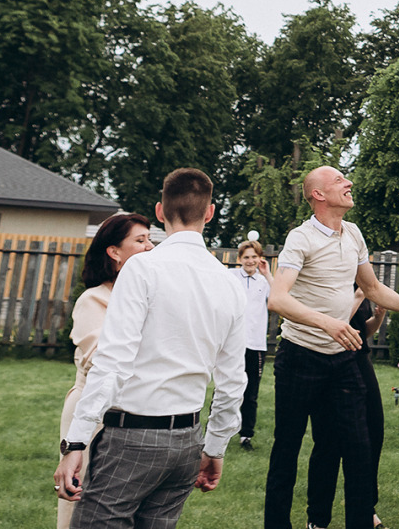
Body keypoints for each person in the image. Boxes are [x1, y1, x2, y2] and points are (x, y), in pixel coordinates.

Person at [54, 169, 247, 528]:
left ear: (160, 211)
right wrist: (215, 447)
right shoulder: (231, 282)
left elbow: (112, 362)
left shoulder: (143, 268)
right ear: (210, 213)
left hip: (132, 438)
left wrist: (75, 443)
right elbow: (234, 379)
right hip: (187, 442)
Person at [265, 165, 399, 529]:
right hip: (299, 359)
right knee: (287, 451)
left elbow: (372, 288)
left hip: (343, 361)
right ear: (318, 195)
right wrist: (330, 324)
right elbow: (278, 299)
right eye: (340, 180)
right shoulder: (301, 238)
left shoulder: (354, 233)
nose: (350, 183)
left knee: (360, 452)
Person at [56, 212, 154, 529]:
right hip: (93, 413)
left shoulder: (144, 298)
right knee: (82, 505)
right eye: (140, 241)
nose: (150, 246)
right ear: (114, 252)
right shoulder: (93, 300)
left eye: (150, 238)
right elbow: (103, 362)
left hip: (135, 416)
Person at [305, 284, 388, 529]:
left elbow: (363, 332)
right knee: (328, 442)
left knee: (373, 434)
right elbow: (328, 327)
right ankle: (317, 519)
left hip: (360, 362)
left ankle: (367, 509)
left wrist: (378, 317)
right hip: (326, 364)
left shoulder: (357, 284)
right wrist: (358, 296)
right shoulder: (325, 285)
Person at [232, 238, 273, 451]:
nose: (250, 261)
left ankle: (245, 435)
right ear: (240, 259)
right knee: (227, 387)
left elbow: (279, 297)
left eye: (254, 257)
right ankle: (217, 429)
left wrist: (267, 273)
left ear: (260, 259)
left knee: (251, 392)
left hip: (255, 344)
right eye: (246, 257)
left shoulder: (264, 281)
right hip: (232, 343)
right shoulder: (230, 278)